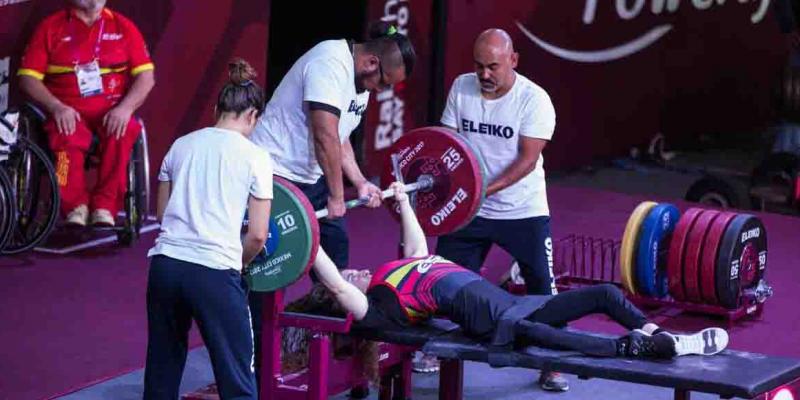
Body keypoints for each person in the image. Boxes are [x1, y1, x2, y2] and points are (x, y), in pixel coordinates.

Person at [297, 182, 729, 384]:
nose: (353, 271)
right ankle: (639, 348)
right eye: (349, 275)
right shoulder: (373, 306)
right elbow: (335, 283)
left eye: (351, 271)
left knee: (606, 294)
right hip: (488, 317)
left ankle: (658, 334)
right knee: (546, 337)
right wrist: (307, 239)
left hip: (506, 301)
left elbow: (417, 244)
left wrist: (405, 200)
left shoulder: (398, 268)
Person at [434, 28, 563, 388]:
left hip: (522, 209)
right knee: (441, 280)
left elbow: (526, 161)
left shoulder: (534, 100)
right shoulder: (462, 88)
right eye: (479, 67)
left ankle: (552, 362)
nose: (485, 75)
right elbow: (449, 143)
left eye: (493, 66)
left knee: (542, 288)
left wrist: (482, 190)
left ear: (513, 61)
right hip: (470, 209)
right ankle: (436, 348)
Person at [143, 59, 271, 400]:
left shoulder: (180, 145)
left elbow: (162, 214)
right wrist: (238, 263)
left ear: (217, 109)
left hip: (165, 268)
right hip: (214, 272)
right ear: (253, 116)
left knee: (162, 367)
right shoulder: (256, 157)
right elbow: (258, 235)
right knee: (237, 377)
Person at [249, 21, 416, 270]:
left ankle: (322, 304)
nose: (382, 91)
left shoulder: (363, 78)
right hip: (274, 172)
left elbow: (340, 134)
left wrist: (360, 182)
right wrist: (337, 197)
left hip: (312, 178)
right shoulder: (329, 63)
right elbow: (325, 136)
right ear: (372, 63)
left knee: (336, 253)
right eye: (385, 83)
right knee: (269, 264)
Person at [18, 0, 155, 227]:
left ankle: (104, 207)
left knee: (126, 129)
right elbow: (27, 77)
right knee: (65, 140)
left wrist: (125, 109)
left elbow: (146, 77)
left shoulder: (123, 26)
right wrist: (56, 107)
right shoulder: (51, 27)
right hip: (67, 113)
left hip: (111, 112)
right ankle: (74, 207)